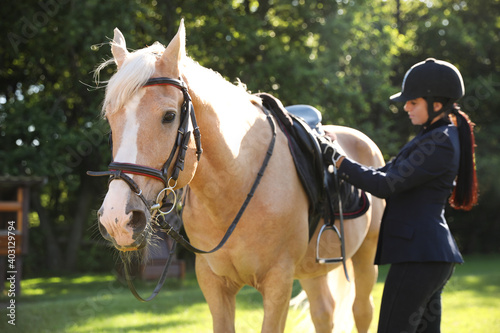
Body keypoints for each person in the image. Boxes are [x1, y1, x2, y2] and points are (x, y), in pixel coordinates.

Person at [327, 58, 478, 332]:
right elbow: (383, 173)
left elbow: (387, 185)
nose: (406, 107)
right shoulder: (431, 137)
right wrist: (341, 156)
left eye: (413, 102)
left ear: (437, 103)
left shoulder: (439, 141)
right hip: (427, 257)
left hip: (419, 258)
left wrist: (338, 161)